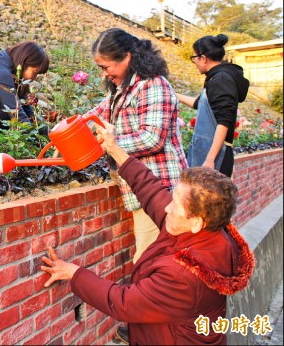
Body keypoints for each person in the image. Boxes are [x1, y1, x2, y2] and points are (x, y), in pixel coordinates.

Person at [40, 119, 255, 345]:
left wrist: (74, 273)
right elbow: (151, 190)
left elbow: (123, 302)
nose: (167, 208)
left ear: (197, 222)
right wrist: (113, 148)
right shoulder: (207, 231)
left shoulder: (183, 276)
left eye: (175, 205)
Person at [85, 28, 187, 264]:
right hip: (140, 187)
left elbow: (152, 138)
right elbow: (94, 116)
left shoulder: (153, 85)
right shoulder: (123, 89)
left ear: (128, 57)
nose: (104, 74)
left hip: (159, 188)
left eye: (107, 66)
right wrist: (67, 129)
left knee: (151, 260)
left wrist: (109, 145)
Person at [176, 34, 250, 177]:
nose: (195, 62)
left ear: (203, 58)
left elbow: (224, 121)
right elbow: (200, 104)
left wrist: (210, 159)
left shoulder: (221, 80)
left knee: (210, 198)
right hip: (210, 152)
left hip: (215, 156)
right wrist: (175, 95)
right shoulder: (217, 78)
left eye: (194, 58)